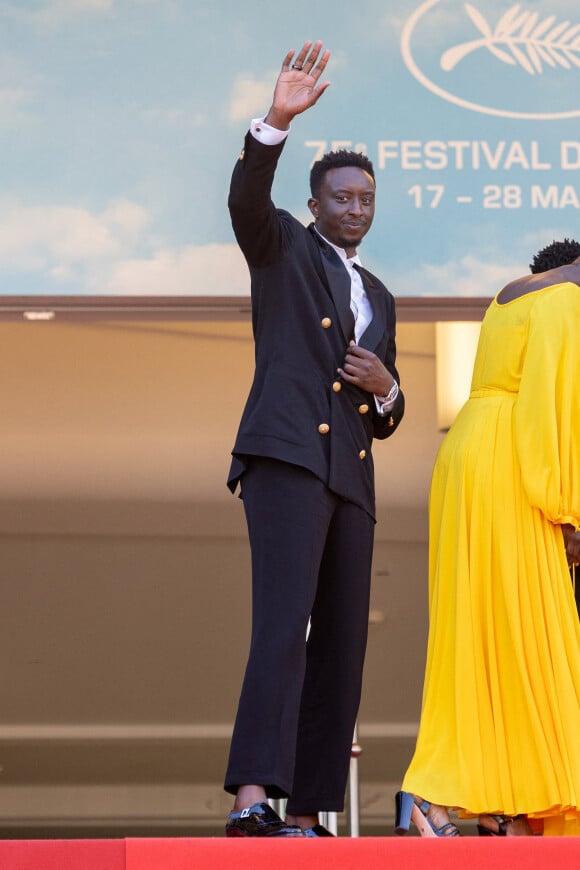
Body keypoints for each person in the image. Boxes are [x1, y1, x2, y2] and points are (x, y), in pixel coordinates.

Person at [222, 40, 405, 838]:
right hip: (289, 458)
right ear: (316, 204)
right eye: (342, 197)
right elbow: (246, 204)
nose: (356, 207)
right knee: (283, 627)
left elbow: (389, 410)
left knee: (339, 647)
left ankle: (309, 810)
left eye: (366, 197)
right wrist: (277, 119)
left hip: (350, 477)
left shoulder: (380, 292)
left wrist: (388, 388)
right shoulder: (284, 247)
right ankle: (253, 797)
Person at [396, 238, 580, 838]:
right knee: (530, 632)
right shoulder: (566, 301)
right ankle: (478, 795)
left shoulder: (514, 294)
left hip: (473, 457)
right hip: (513, 466)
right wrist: (570, 512)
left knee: (483, 631)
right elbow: (554, 411)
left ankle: (458, 796)